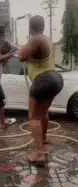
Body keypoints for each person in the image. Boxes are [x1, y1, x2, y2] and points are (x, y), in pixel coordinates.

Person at [19, 15, 63, 165]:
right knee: (43, 113)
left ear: (31, 28)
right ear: (43, 26)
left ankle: (40, 154)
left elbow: (22, 56)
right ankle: (43, 139)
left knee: (34, 117)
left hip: (43, 80)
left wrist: (21, 48)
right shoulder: (47, 39)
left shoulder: (35, 38)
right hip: (55, 78)